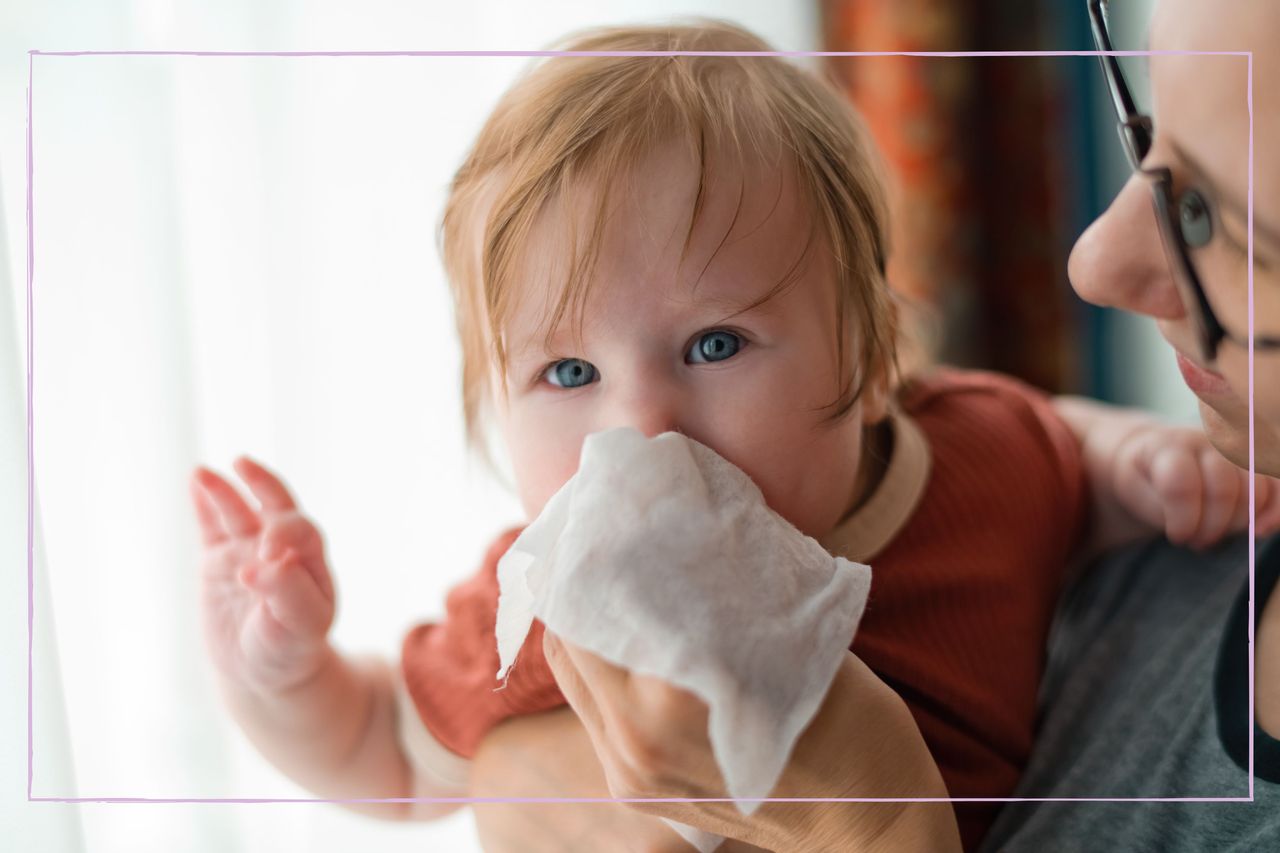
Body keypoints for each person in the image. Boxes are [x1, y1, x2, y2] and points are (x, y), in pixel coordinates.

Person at [186, 14, 1274, 853]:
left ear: (868, 354)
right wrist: (280, 673)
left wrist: (1129, 465)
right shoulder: (571, 606)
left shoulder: (974, 454)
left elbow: (1051, 448)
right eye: (567, 372)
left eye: (713, 345)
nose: (640, 427)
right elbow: (381, 747)